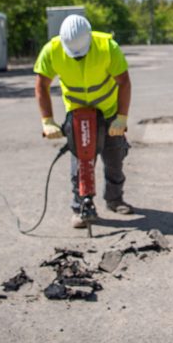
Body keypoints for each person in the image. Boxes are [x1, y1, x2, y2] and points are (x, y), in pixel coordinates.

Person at [34, 14, 134, 229]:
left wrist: (121, 118)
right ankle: (81, 207)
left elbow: (124, 82)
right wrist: (47, 120)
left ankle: (114, 199)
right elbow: (41, 85)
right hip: (78, 113)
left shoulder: (107, 46)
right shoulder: (52, 50)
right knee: (80, 164)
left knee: (115, 158)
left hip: (108, 113)